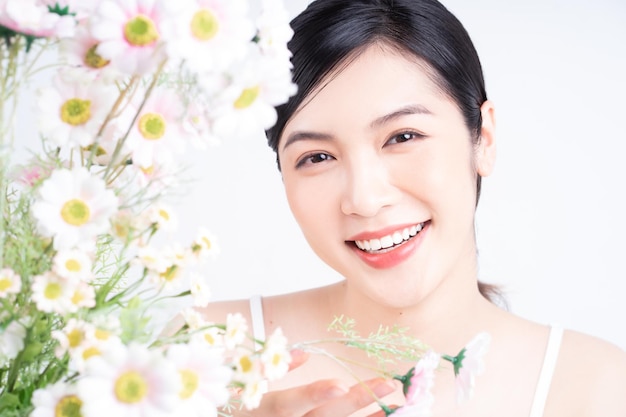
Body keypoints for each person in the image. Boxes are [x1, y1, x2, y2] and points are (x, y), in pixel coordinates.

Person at [172, 0, 626, 415]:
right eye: (317, 157)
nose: (365, 200)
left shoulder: (596, 387)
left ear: (482, 139)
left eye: (402, 137)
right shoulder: (194, 355)